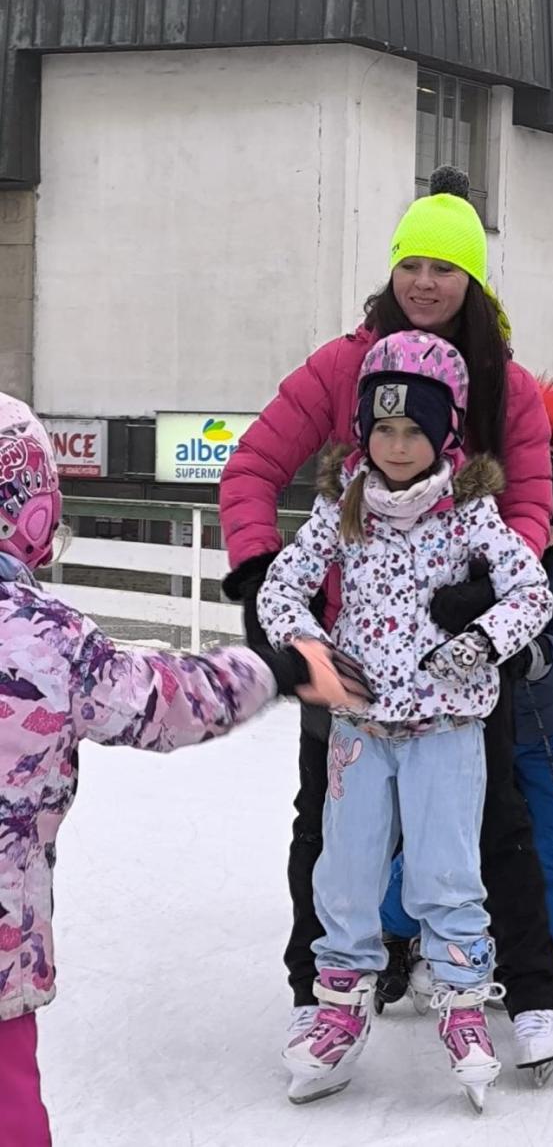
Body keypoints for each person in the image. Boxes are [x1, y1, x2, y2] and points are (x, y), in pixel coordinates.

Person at [218, 166, 553, 1077]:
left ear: (473, 283)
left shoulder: (505, 385)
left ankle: (525, 990)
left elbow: (528, 503)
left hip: (451, 662)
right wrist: (267, 580)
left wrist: (483, 594)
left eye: (445, 268)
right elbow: (252, 467)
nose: (425, 282)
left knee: (491, 821)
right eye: (410, 262)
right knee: (329, 832)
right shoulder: (343, 364)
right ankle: (321, 994)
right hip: (354, 661)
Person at [0, 394, 340, 1147]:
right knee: (6, 1104)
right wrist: (278, 668)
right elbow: (164, 701)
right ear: (31, 513)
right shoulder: (45, 641)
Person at [256, 332, 553, 1111]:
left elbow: (532, 595)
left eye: (412, 430)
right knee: (346, 877)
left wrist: (477, 644)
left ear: (443, 434)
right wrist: (315, 653)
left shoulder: (469, 514)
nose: (395, 445)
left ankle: (461, 1004)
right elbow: (279, 592)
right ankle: (337, 1010)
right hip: (359, 731)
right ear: (361, 430)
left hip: (445, 731)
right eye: (381, 429)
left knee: (445, 873)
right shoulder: (340, 507)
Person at [378, 379, 553, 1043]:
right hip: (461, 733)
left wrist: (532, 656)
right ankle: (386, 933)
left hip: (546, 731)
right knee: (440, 843)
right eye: (530, 508)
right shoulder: (455, 554)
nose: (543, 528)